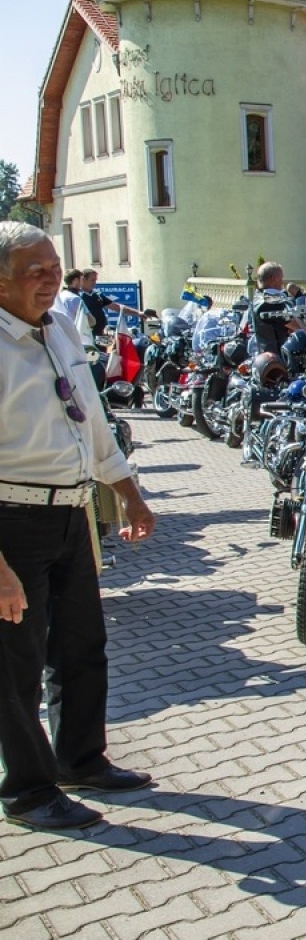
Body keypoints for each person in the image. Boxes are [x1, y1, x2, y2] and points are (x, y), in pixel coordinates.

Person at [0, 223, 157, 830]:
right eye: (34, 270)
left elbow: (89, 415)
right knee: (13, 664)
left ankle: (80, 760)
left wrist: (128, 493)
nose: (50, 279)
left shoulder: (60, 327)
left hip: (70, 512)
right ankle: (28, 792)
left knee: (80, 646)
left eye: (54, 266)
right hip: (12, 522)